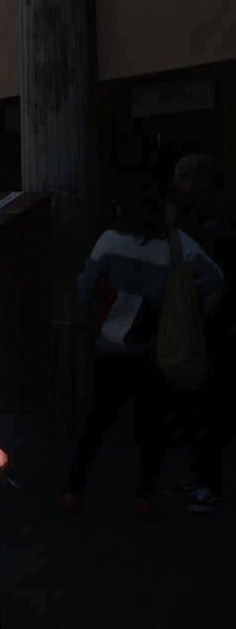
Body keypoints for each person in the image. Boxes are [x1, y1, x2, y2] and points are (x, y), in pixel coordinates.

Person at [60, 172, 222, 518]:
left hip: (109, 345)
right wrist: (190, 312)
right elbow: (213, 280)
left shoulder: (110, 241)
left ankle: (73, 490)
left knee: (96, 421)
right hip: (155, 347)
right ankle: (144, 496)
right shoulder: (178, 244)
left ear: (124, 206)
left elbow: (85, 287)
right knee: (154, 424)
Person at [165, 152, 232, 513]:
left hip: (212, 326)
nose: (175, 183)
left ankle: (210, 481)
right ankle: (199, 472)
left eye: (183, 176)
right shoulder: (189, 217)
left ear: (203, 181)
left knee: (210, 404)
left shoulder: (217, 222)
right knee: (196, 403)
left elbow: (214, 277)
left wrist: (202, 312)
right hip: (193, 325)